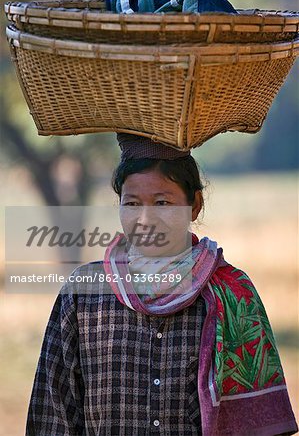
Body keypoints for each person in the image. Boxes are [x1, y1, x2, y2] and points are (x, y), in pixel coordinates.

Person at [26, 134, 298, 435]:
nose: (145, 218)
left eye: (162, 202)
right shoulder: (83, 293)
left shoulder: (232, 293)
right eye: (131, 203)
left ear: (195, 204)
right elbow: (53, 416)